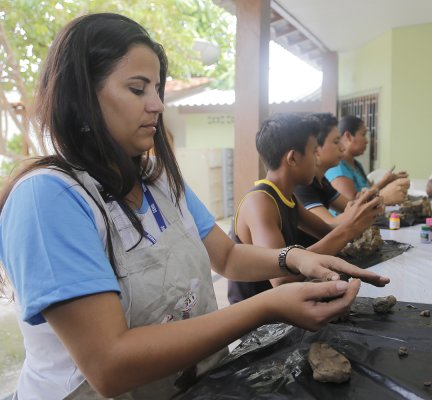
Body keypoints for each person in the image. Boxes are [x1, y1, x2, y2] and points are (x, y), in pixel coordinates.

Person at [0, 14, 389, 399]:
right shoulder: (49, 199)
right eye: (137, 89)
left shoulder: (157, 179)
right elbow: (110, 364)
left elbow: (229, 256)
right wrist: (267, 306)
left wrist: (295, 259)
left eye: (157, 88)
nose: (156, 104)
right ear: (82, 96)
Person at [227, 113, 384, 304]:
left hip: (282, 308)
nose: (317, 160)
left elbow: (326, 233)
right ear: (292, 158)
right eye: (313, 152)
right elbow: (280, 278)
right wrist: (348, 230)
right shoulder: (260, 202)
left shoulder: (288, 197)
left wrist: (359, 217)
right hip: (258, 324)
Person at [325, 115, 410, 206]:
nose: (367, 141)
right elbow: (351, 204)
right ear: (348, 136)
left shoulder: (357, 165)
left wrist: (390, 181)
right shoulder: (337, 167)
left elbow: (369, 191)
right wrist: (384, 184)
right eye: (363, 134)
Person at [295, 112, 362, 225]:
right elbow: (329, 226)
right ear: (315, 148)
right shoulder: (302, 185)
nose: (343, 148)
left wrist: (366, 200)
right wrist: (383, 198)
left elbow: (349, 207)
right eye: (336, 142)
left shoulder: (321, 181)